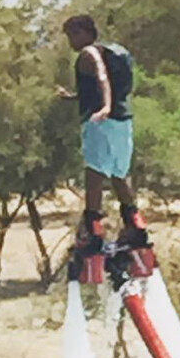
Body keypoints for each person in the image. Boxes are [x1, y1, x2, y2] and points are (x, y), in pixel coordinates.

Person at [58, 15, 151, 281]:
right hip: (122, 121)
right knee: (119, 174)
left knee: (95, 172)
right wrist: (75, 97)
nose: (71, 42)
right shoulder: (113, 53)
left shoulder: (89, 53)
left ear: (85, 33)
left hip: (100, 120)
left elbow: (101, 77)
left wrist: (105, 106)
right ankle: (135, 223)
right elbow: (102, 84)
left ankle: (93, 228)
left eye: (72, 35)